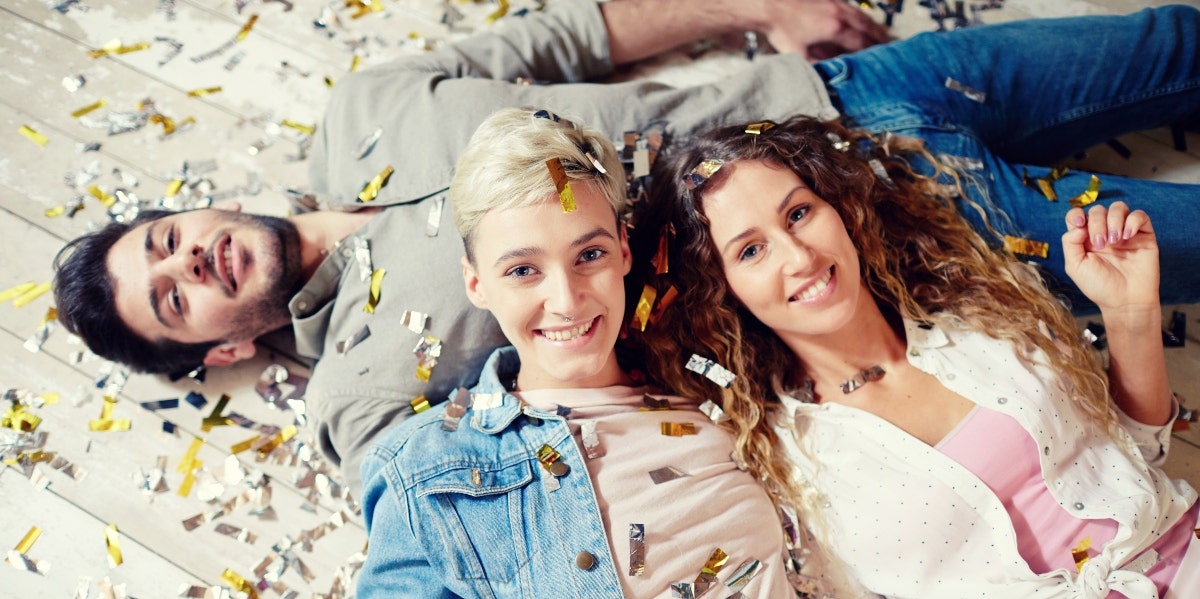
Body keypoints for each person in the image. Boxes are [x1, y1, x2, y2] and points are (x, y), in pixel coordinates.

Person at [52, 0, 1200, 495]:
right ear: (211, 355)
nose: (190, 261)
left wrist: (758, 6)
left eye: (166, 240)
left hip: (839, 88)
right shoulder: (360, 405)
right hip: (882, 240)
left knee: (1166, 40)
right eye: (169, 299)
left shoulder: (359, 112)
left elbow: (573, 36)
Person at [637, 115, 1198, 598]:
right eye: (751, 250)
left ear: (839, 209)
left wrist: (1129, 315)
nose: (799, 256)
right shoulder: (776, 459)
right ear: (721, 289)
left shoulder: (984, 321)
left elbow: (1139, 447)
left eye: (799, 214)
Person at [357, 108, 799, 598]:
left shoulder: (717, 386)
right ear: (476, 284)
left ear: (624, 252)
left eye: (589, 255)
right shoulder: (425, 469)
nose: (567, 302)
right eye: (523, 270)